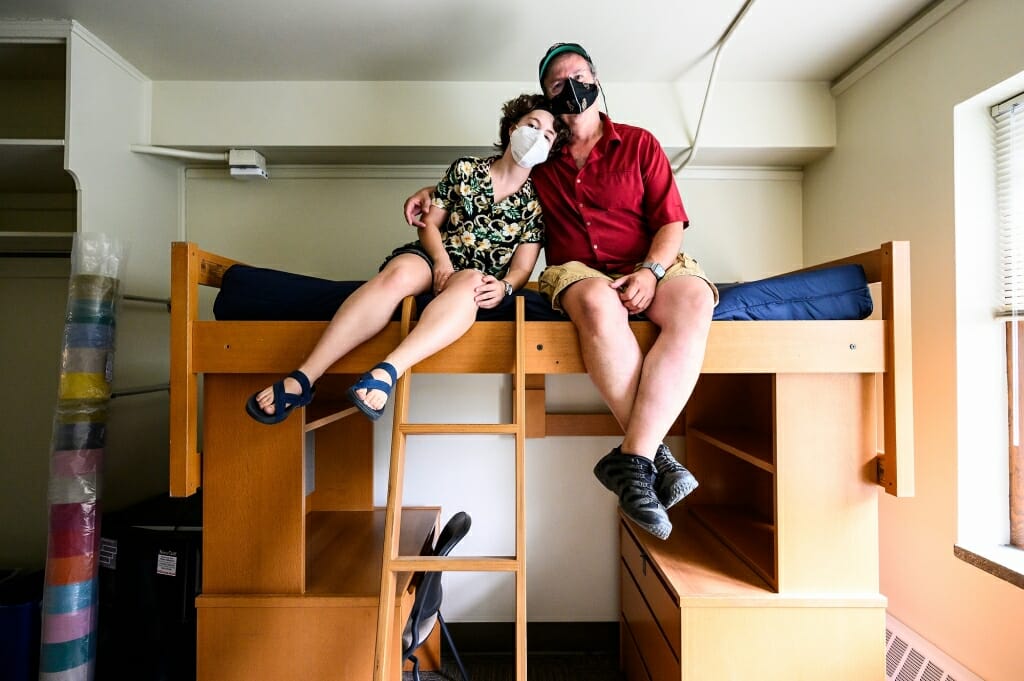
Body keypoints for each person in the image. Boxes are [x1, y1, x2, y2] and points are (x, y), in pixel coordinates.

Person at [404, 43, 718, 540]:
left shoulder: (640, 144)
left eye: (580, 76)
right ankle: (652, 456)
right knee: (597, 302)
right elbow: (492, 174)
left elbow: (671, 222)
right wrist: (430, 192)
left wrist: (651, 272)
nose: (571, 86)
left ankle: (631, 460)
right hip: (577, 270)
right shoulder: (541, 156)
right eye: (557, 83)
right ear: (549, 98)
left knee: (698, 299)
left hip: (649, 263)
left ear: (596, 80)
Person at [247, 93, 562, 425]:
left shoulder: (536, 206)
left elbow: (522, 268)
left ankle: (386, 372)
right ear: (512, 128)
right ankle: (303, 378)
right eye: (532, 125)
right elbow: (430, 225)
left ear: (551, 149)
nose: (536, 137)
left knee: (470, 282)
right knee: (398, 276)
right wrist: (440, 260)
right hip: (433, 257)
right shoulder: (466, 169)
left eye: (547, 135)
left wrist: (505, 288)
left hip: (473, 277)